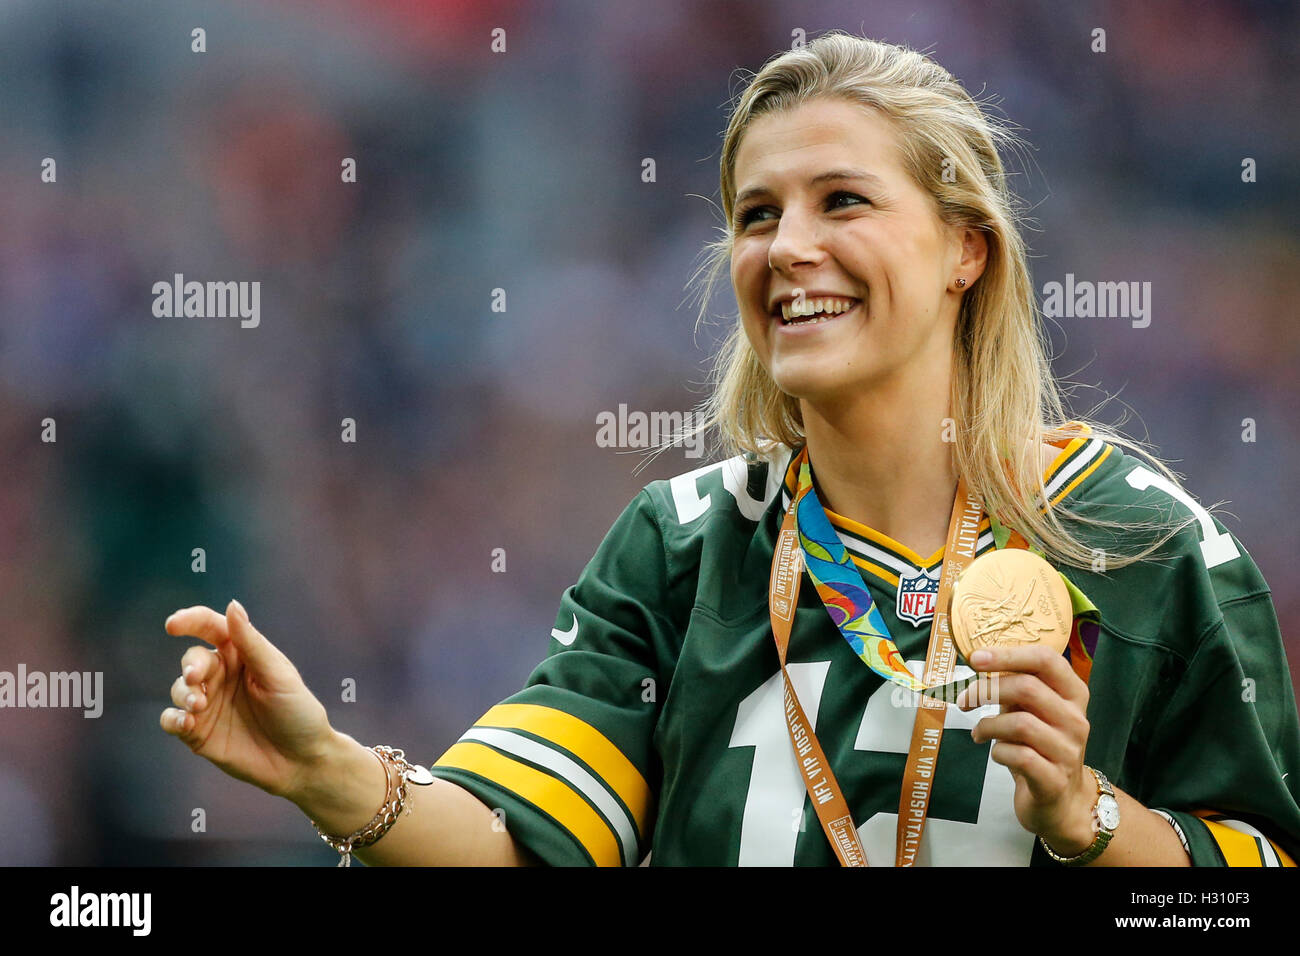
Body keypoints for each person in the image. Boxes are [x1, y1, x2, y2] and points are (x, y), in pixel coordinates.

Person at [159, 32, 1300, 867]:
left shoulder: (1142, 540)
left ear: (965, 250)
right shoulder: (683, 544)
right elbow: (519, 844)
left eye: (841, 200)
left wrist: (1088, 819)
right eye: (757, 214)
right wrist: (333, 775)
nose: (788, 247)